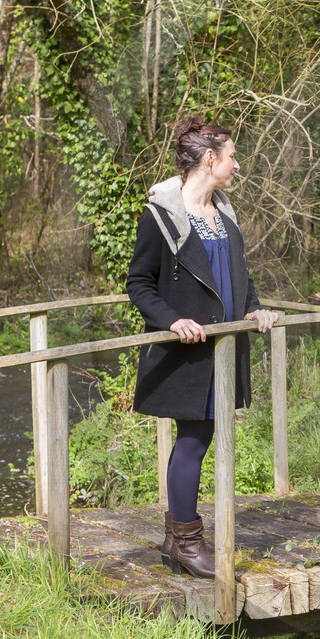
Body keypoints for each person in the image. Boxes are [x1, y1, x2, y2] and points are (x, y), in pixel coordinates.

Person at [126, 118, 279, 577]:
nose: (237, 165)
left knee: (200, 436)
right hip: (187, 352)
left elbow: (240, 274)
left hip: (224, 347)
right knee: (193, 438)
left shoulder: (225, 213)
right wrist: (172, 319)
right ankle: (187, 541)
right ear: (210, 159)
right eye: (232, 156)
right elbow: (139, 283)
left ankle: (177, 540)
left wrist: (254, 309)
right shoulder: (161, 217)